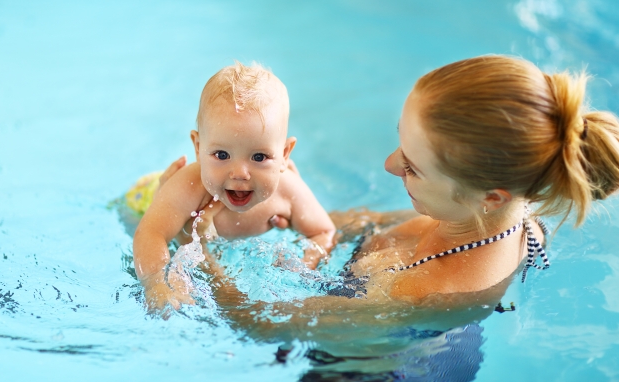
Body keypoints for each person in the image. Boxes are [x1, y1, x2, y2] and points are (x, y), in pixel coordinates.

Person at [158, 54, 619, 310]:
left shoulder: (428, 292)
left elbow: (262, 322)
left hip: (365, 378)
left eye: (413, 167)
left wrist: (192, 246)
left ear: (490, 196)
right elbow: (363, 224)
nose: (389, 164)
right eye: (401, 141)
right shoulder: (507, 200)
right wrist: (270, 209)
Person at [133, 61, 336, 310]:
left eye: (259, 157)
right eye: (221, 155)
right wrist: (156, 284)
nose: (240, 174)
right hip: (144, 199)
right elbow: (150, 233)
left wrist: (305, 267)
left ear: (284, 155)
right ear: (198, 148)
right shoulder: (189, 186)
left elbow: (323, 232)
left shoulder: (288, 190)